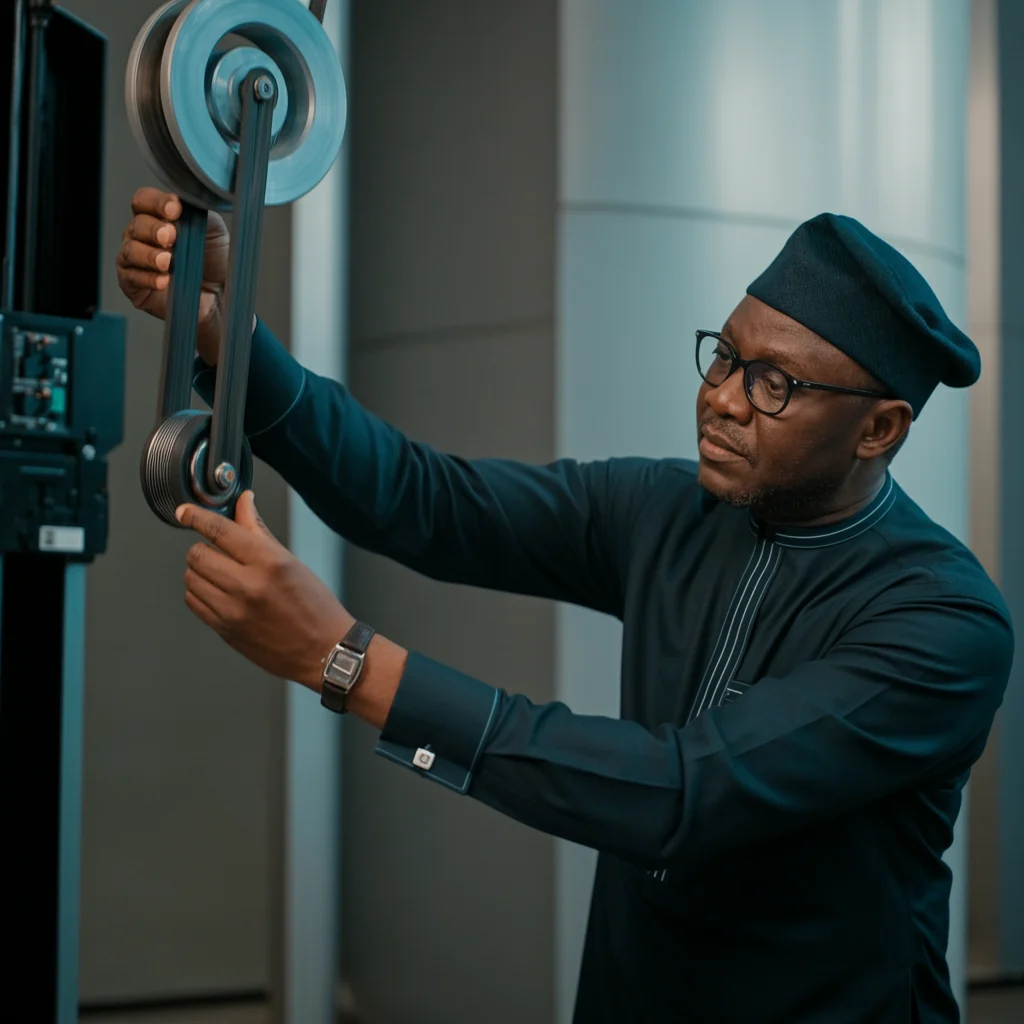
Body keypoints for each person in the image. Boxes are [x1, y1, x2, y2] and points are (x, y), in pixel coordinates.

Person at [117, 188, 1013, 1024]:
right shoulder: (669, 510)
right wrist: (223, 338)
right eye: (726, 357)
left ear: (880, 428)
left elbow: (681, 794)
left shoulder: (941, 623)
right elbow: (420, 500)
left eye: (775, 384)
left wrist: (346, 660)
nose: (723, 401)